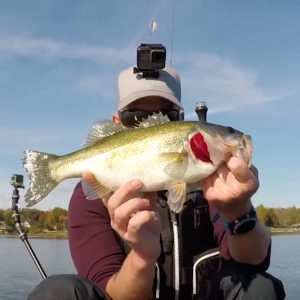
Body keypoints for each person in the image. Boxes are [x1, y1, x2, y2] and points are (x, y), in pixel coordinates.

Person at [27, 65, 286, 300]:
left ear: (183, 120)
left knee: (259, 287)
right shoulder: (92, 197)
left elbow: (253, 263)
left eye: (167, 115)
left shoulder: (213, 184)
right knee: (56, 293)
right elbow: (110, 291)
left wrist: (238, 212)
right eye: (135, 117)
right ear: (116, 123)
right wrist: (141, 255)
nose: (148, 123)